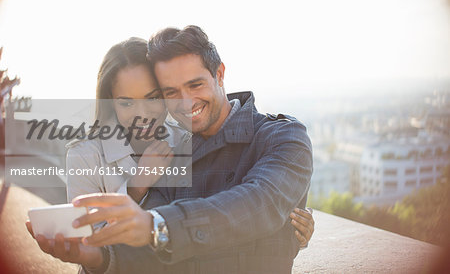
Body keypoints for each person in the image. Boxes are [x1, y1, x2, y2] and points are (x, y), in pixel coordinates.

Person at [25, 34, 314, 273]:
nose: (142, 115)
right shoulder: (87, 154)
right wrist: (137, 192)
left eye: (153, 98)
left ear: (220, 75)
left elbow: (242, 207)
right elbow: (159, 245)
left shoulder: (188, 140)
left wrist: (283, 232)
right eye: (127, 103)